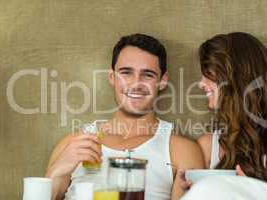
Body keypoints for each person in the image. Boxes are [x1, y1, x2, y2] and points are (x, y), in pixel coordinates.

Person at [45, 33, 204, 200]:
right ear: (112, 77)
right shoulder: (74, 144)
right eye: (126, 72)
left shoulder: (182, 150)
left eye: (147, 75)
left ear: (162, 81)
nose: (136, 84)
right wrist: (57, 170)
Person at [180, 32, 267, 199]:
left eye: (208, 73)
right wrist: (184, 190)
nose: (201, 83)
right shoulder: (207, 145)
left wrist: (253, 190)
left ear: (237, 74)